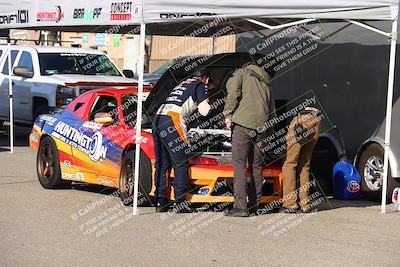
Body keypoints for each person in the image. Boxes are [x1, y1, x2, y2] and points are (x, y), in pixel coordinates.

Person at [152, 69, 211, 213]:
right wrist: (212, 107)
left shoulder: (181, 84)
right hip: (172, 119)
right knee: (180, 163)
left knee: (162, 163)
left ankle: (160, 201)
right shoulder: (200, 85)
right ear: (206, 79)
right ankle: (181, 202)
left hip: (157, 118)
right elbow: (204, 110)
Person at [223, 62, 276, 217]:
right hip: (262, 127)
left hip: (243, 124)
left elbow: (233, 93)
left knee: (239, 164)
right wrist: (269, 133)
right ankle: (255, 206)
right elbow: (272, 110)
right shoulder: (266, 82)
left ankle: (240, 207)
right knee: (256, 167)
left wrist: (227, 114)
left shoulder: (241, 73)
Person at [281, 107, 321, 213]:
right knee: (305, 164)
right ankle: (305, 204)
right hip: (316, 118)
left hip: (301, 119)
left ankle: (290, 204)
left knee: (290, 163)